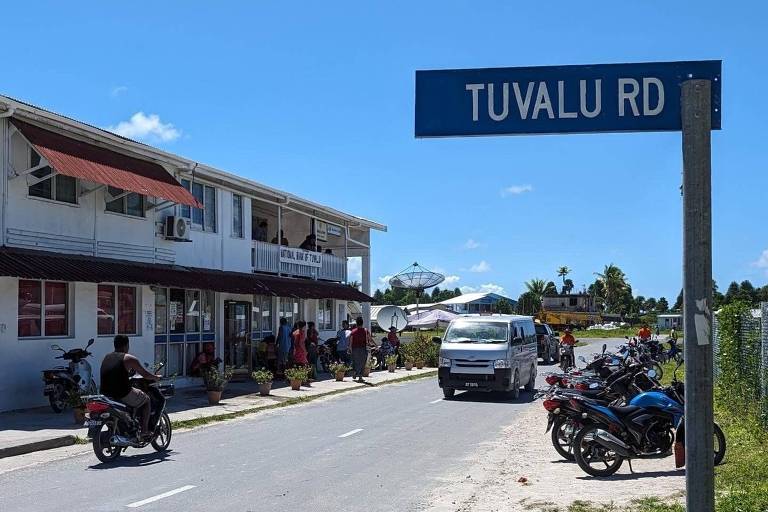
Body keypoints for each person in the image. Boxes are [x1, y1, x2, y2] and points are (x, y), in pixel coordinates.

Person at [100, 335, 160, 441]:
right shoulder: (129, 358)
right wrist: (155, 377)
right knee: (146, 400)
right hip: (122, 393)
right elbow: (145, 374)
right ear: (126, 345)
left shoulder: (107, 357)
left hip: (106, 393)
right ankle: (144, 431)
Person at [349, 317, 370, 382]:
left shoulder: (353, 331)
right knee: (363, 363)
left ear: (356, 323)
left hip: (355, 348)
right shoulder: (365, 330)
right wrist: (375, 345)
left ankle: (355, 372)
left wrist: (349, 348)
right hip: (363, 348)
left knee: (355, 361)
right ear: (362, 323)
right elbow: (370, 339)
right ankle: (360, 377)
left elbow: (351, 341)